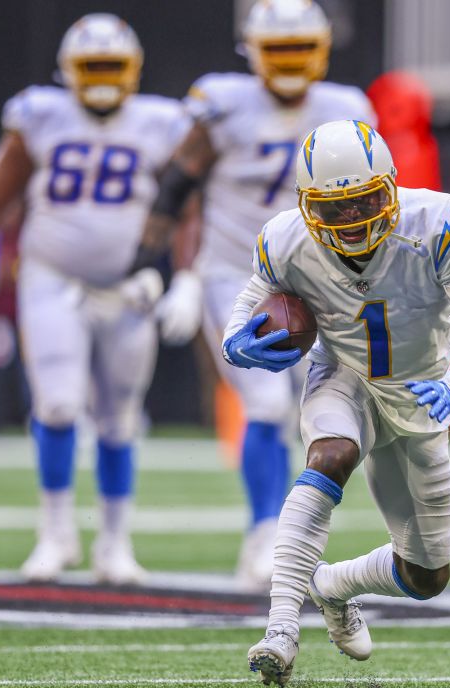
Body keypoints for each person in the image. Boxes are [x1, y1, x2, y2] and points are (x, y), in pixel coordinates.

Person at [232, 120, 450, 686]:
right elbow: (246, 305)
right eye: (335, 210)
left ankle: (332, 584)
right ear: (309, 209)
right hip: (347, 375)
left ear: (391, 188)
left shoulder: (436, 225)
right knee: (330, 455)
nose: (353, 220)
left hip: (421, 397)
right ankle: (280, 628)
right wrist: (237, 343)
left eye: (365, 202)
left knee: (427, 577)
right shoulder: (286, 241)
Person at [142, 0, 375, 590]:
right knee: (267, 404)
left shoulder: (346, 108)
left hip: (319, 277)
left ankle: (291, 534)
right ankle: (262, 533)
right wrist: (187, 272)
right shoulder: (223, 102)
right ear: (252, 53)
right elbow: (180, 186)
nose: (291, 63)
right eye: (280, 50)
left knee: (317, 409)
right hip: (239, 275)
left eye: (301, 49)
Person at [0, 13, 190, 584]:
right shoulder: (41, 117)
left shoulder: (161, 123)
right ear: (67, 72)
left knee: (121, 419)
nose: (100, 79)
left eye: (111, 67)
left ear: (134, 72)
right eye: (90, 67)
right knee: (58, 406)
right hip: (53, 280)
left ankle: (115, 543)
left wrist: (171, 273)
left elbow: (183, 205)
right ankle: (56, 532)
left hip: (128, 286)